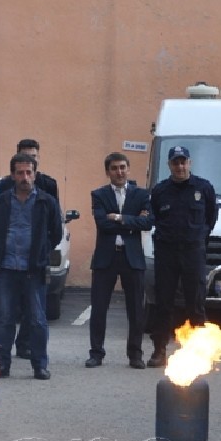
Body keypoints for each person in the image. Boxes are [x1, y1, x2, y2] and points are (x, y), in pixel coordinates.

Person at [0, 153, 63, 380]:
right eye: (20, 173)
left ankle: (39, 365)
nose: (24, 177)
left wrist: (41, 250)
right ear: (12, 175)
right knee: (4, 318)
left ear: (35, 174)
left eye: (28, 172)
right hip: (7, 268)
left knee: (37, 320)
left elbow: (56, 233)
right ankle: (2, 364)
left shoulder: (46, 202)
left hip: (34, 270)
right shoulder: (2, 201)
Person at [147, 145, 217, 367]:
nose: (180, 166)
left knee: (196, 303)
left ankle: (198, 352)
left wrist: (198, 239)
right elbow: (154, 217)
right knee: (163, 303)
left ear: (190, 162)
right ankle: (159, 350)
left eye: (183, 161)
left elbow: (211, 218)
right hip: (167, 252)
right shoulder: (160, 191)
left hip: (192, 252)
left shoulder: (203, 188)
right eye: (175, 162)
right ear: (169, 165)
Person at [87, 152, 152, 369]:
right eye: (114, 168)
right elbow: (102, 224)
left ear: (128, 169)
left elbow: (148, 223)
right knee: (98, 308)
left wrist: (120, 217)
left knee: (136, 309)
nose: (119, 172)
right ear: (108, 172)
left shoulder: (141, 195)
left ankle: (135, 354)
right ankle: (96, 353)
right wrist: (133, 222)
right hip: (106, 257)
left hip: (131, 257)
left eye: (123, 167)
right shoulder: (98, 195)